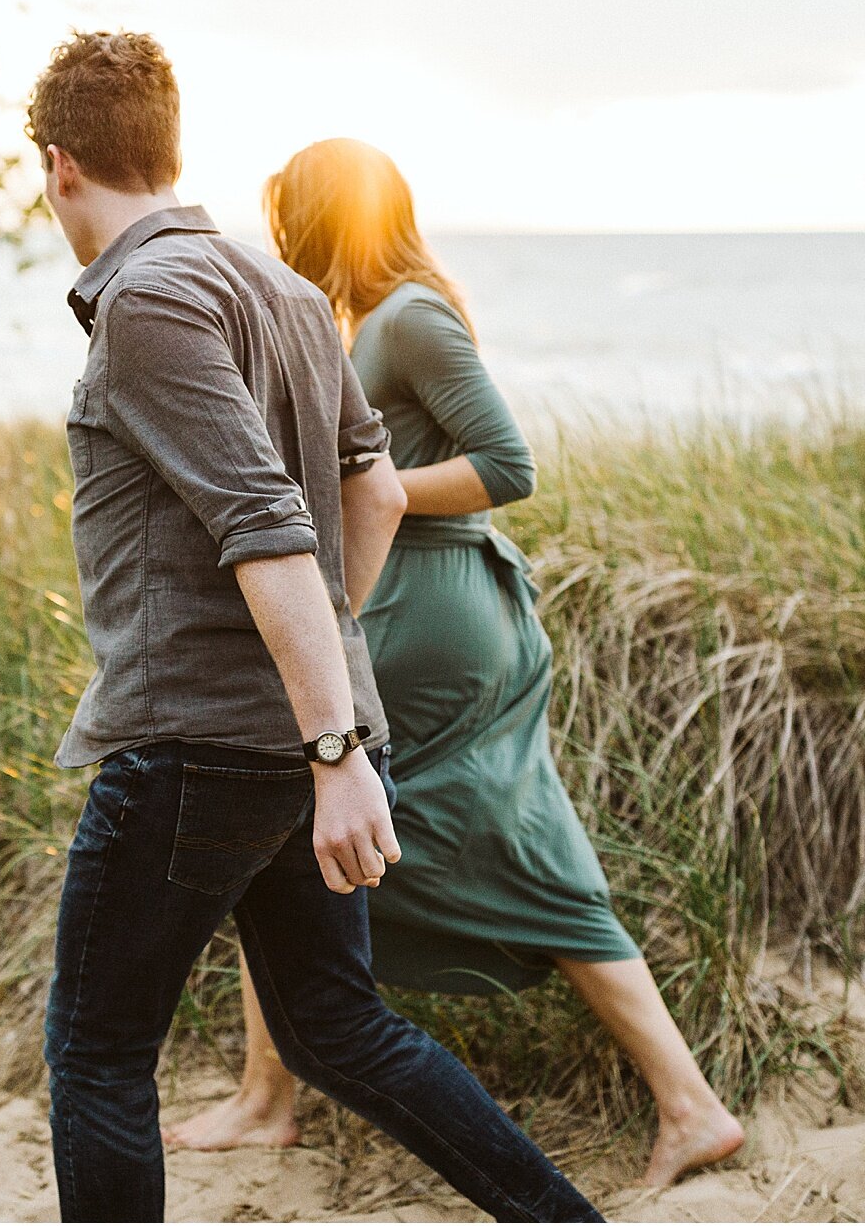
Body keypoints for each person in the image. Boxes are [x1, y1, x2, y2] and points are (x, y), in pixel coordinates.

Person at [30, 33, 603, 1226]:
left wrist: (333, 747)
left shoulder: (143, 297)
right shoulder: (287, 293)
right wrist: (326, 696)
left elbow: (266, 518)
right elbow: (376, 489)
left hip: (195, 745)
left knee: (97, 1053)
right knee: (339, 1028)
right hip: (294, 738)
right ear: (169, 147)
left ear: (58, 163)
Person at [167, 137, 745, 1200]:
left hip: (434, 611)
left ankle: (267, 1096)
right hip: (431, 609)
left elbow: (507, 463)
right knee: (503, 837)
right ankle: (687, 1100)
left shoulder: (409, 315)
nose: (281, 239)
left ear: (320, 220)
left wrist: (364, 492)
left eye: (288, 218)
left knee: (292, 831)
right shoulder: (380, 318)